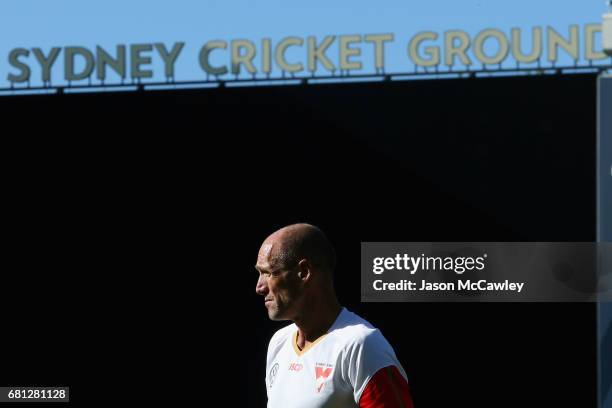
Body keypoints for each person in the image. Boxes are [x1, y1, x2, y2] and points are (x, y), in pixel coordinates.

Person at [255, 223, 414, 408]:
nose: (259, 287)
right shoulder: (279, 342)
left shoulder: (362, 345)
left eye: (268, 273)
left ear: (304, 272)